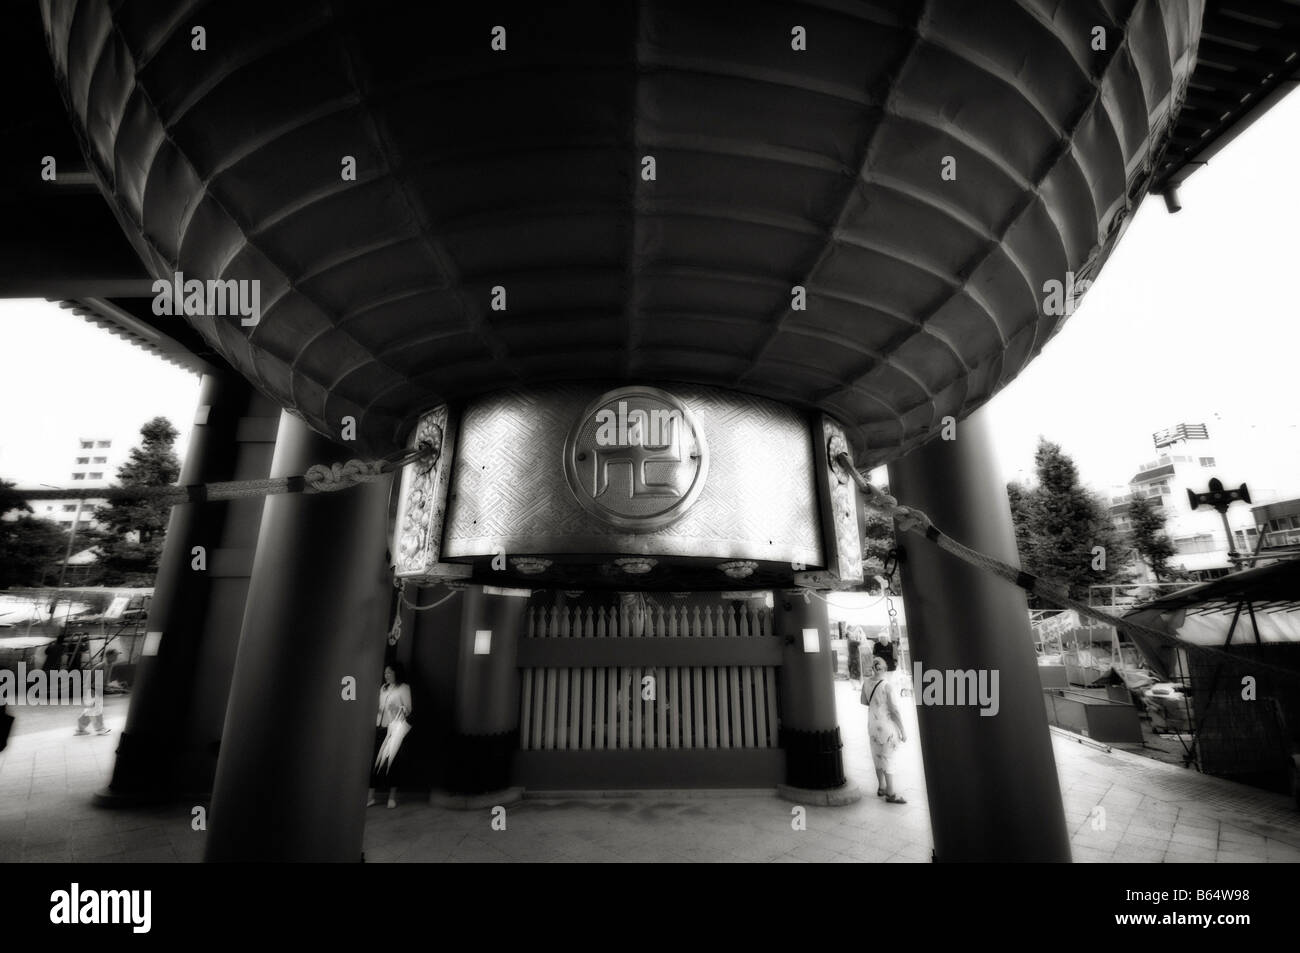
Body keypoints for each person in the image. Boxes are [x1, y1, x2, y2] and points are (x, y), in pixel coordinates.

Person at [861, 652, 907, 804]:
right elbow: (894, 710)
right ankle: (891, 794)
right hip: (886, 725)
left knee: (877, 756)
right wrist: (903, 730)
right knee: (888, 757)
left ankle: (881, 787)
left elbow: (864, 701)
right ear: (885, 669)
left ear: (874, 668)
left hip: (872, 725)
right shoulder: (887, 686)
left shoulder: (866, 683)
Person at [368, 661, 412, 809]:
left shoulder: (404, 688)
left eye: (389, 672)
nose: (386, 675)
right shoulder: (383, 688)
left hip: (394, 729)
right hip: (380, 727)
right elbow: (380, 707)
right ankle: (371, 797)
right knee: (374, 761)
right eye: (385, 672)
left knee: (393, 763)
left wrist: (397, 708)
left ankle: (392, 797)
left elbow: (408, 709)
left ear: (396, 673)